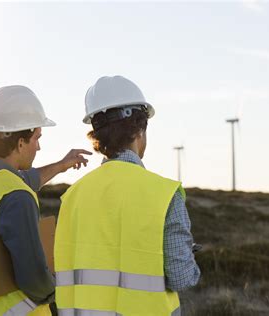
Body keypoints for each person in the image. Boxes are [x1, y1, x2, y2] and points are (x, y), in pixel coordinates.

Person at [54, 75, 201, 316]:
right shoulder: (164, 195)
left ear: (98, 138)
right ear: (140, 130)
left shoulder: (72, 197)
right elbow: (181, 278)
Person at [0, 85, 92, 315]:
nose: (39, 146)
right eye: (37, 138)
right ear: (20, 142)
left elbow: (23, 180)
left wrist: (60, 166)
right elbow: (35, 281)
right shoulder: (17, 198)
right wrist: (59, 289)